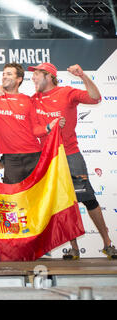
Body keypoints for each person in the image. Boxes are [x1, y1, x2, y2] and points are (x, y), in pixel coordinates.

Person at [28, 62, 117, 260]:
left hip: (70, 155)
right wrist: (49, 128)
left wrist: (83, 76)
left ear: (49, 76)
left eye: (36, 74)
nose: (32, 78)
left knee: (88, 199)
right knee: (62, 204)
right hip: (48, 159)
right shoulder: (33, 100)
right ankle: (74, 249)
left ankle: (108, 244)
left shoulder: (67, 92)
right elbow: (34, 130)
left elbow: (95, 98)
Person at [0, 29, 58, 184]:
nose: (4, 76)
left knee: (36, 200)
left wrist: (48, 128)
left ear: (19, 79)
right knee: (13, 200)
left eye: (9, 74)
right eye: (3, 74)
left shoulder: (29, 100)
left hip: (34, 155)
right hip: (11, 159)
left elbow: (35, 130)